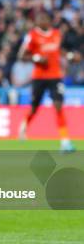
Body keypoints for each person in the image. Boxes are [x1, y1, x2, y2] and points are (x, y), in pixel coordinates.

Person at [18, 12, 75, 152]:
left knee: (58, 105)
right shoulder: (32, 35)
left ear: (48, 20)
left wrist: (69, 55)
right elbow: (22, 55)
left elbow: (58, 51)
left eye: (43, 18)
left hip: (55, 76)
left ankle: (65, 141)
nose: (40, 20)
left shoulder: (56, 33)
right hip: (39, 77)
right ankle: (23, 127)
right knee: (34, 107)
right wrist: (36, 58)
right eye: (38, 18)